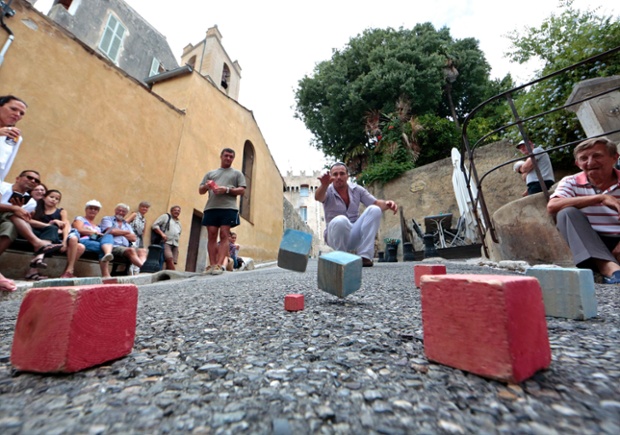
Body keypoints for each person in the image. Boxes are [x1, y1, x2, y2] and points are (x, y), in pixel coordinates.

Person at [548, 137, 620, 284]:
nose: (590, 162)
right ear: (578, 164)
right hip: (592, 244)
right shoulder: (571, 182)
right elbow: (552, 205)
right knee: (565, 213)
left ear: (615, 157)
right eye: (584, 158)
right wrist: (599, 198)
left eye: (597, 155)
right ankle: (608, 268)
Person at [315, 162, 398, 267]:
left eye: (342, 173)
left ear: (347, 176)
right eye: (335, 174)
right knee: (341, 220)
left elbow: (375, 203)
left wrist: (387, 204)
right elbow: (318, 197)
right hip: (334, 235)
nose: (338, 177)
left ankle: (365, 257)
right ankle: (341, 257)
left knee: (375, 209)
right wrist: (324, 185)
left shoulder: (357, 189)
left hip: (353, 233)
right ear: (331, 177)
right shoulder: (327, 190)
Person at [0, 170, 63, 288]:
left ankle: (39, 255)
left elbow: (25, 219)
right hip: (7, 216)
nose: (33, 181)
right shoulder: (3, 186)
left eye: (36, 180)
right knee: (14, 214)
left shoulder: (31, 202)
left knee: (10, 227)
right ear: (18, 178)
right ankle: (38, 244)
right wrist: (14, 208)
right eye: (29, 177)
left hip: (9, 223)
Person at [198, 148, 246, 275]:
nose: (228, 158)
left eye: (231, 157)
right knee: (211, 235)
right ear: (221, 156)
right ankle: (212, 265)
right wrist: (207, 186)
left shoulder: (237, 174)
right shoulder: (210, 174)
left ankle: (219, 265)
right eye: (226, 156)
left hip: (228, 208)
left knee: (224, 235)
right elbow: (201, 190)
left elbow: (242, 190)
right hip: (211, 207)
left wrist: (227, 190)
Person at [29, 190, 85, 279]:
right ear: (44, 197)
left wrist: (64, 242)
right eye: (51, 197)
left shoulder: (61, 211)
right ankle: (35, 267)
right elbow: (29, 220)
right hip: (39, 235)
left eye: (57, 199)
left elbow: (65, 225)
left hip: (56, 238)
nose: (54, 200)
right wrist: (51, 223)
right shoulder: (36, 209)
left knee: (80, 247)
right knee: (52, 229)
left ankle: (67, 272)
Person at [73, 200, 115, 278]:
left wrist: (99, 234)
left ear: (97, 211)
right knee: (102, 248)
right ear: (86, 209)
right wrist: (93, 233)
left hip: (95, 240)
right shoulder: (80, 219)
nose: (93, 210)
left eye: (95, 209)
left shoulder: (96, 226)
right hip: (84, 240)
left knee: (108, 236)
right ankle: (106, 274)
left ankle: (108, 253)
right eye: (91, 208)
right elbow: (78, 229)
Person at [100, 203, 146, 272]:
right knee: (131, 250)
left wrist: (118, 232)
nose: (121, 213)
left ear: (126, 213)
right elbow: (110, 231)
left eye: (123, 211)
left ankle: (143, 267)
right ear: (115, 210)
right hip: (113, 246)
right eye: (119, 210)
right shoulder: (107, 219)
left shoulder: (127, 225)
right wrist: (125, 232)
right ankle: (144, 269)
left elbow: (133, 238)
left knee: (142, 251)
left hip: (125, 247)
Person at [0, 95, 28, 182]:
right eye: (13, 109)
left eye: (21, 113)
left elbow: (6, 164)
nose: (17, 114)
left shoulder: (14, 136)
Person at [151, 205, 182, 270]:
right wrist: (162, 234)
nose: (177, 212)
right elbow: (154, 225)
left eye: (178, 211)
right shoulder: (166, 217)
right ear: (171, 211)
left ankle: (167, 278)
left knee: (173, 262)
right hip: (166, 242)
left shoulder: (179, 222)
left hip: (175, 244)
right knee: (169, 259)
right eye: (175, 210)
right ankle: (175, 276)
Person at [126, 200, 150, 274]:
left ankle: (136, 270)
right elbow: (125, 222)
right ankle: (130, 270)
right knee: (133, 252)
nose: (144, 209)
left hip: (139, 239)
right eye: (143, 207)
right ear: (139, 207)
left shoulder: (144, 220)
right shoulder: (134, 214)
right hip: (131, 236)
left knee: (140, 253)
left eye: (146, 207)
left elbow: (143, 232)